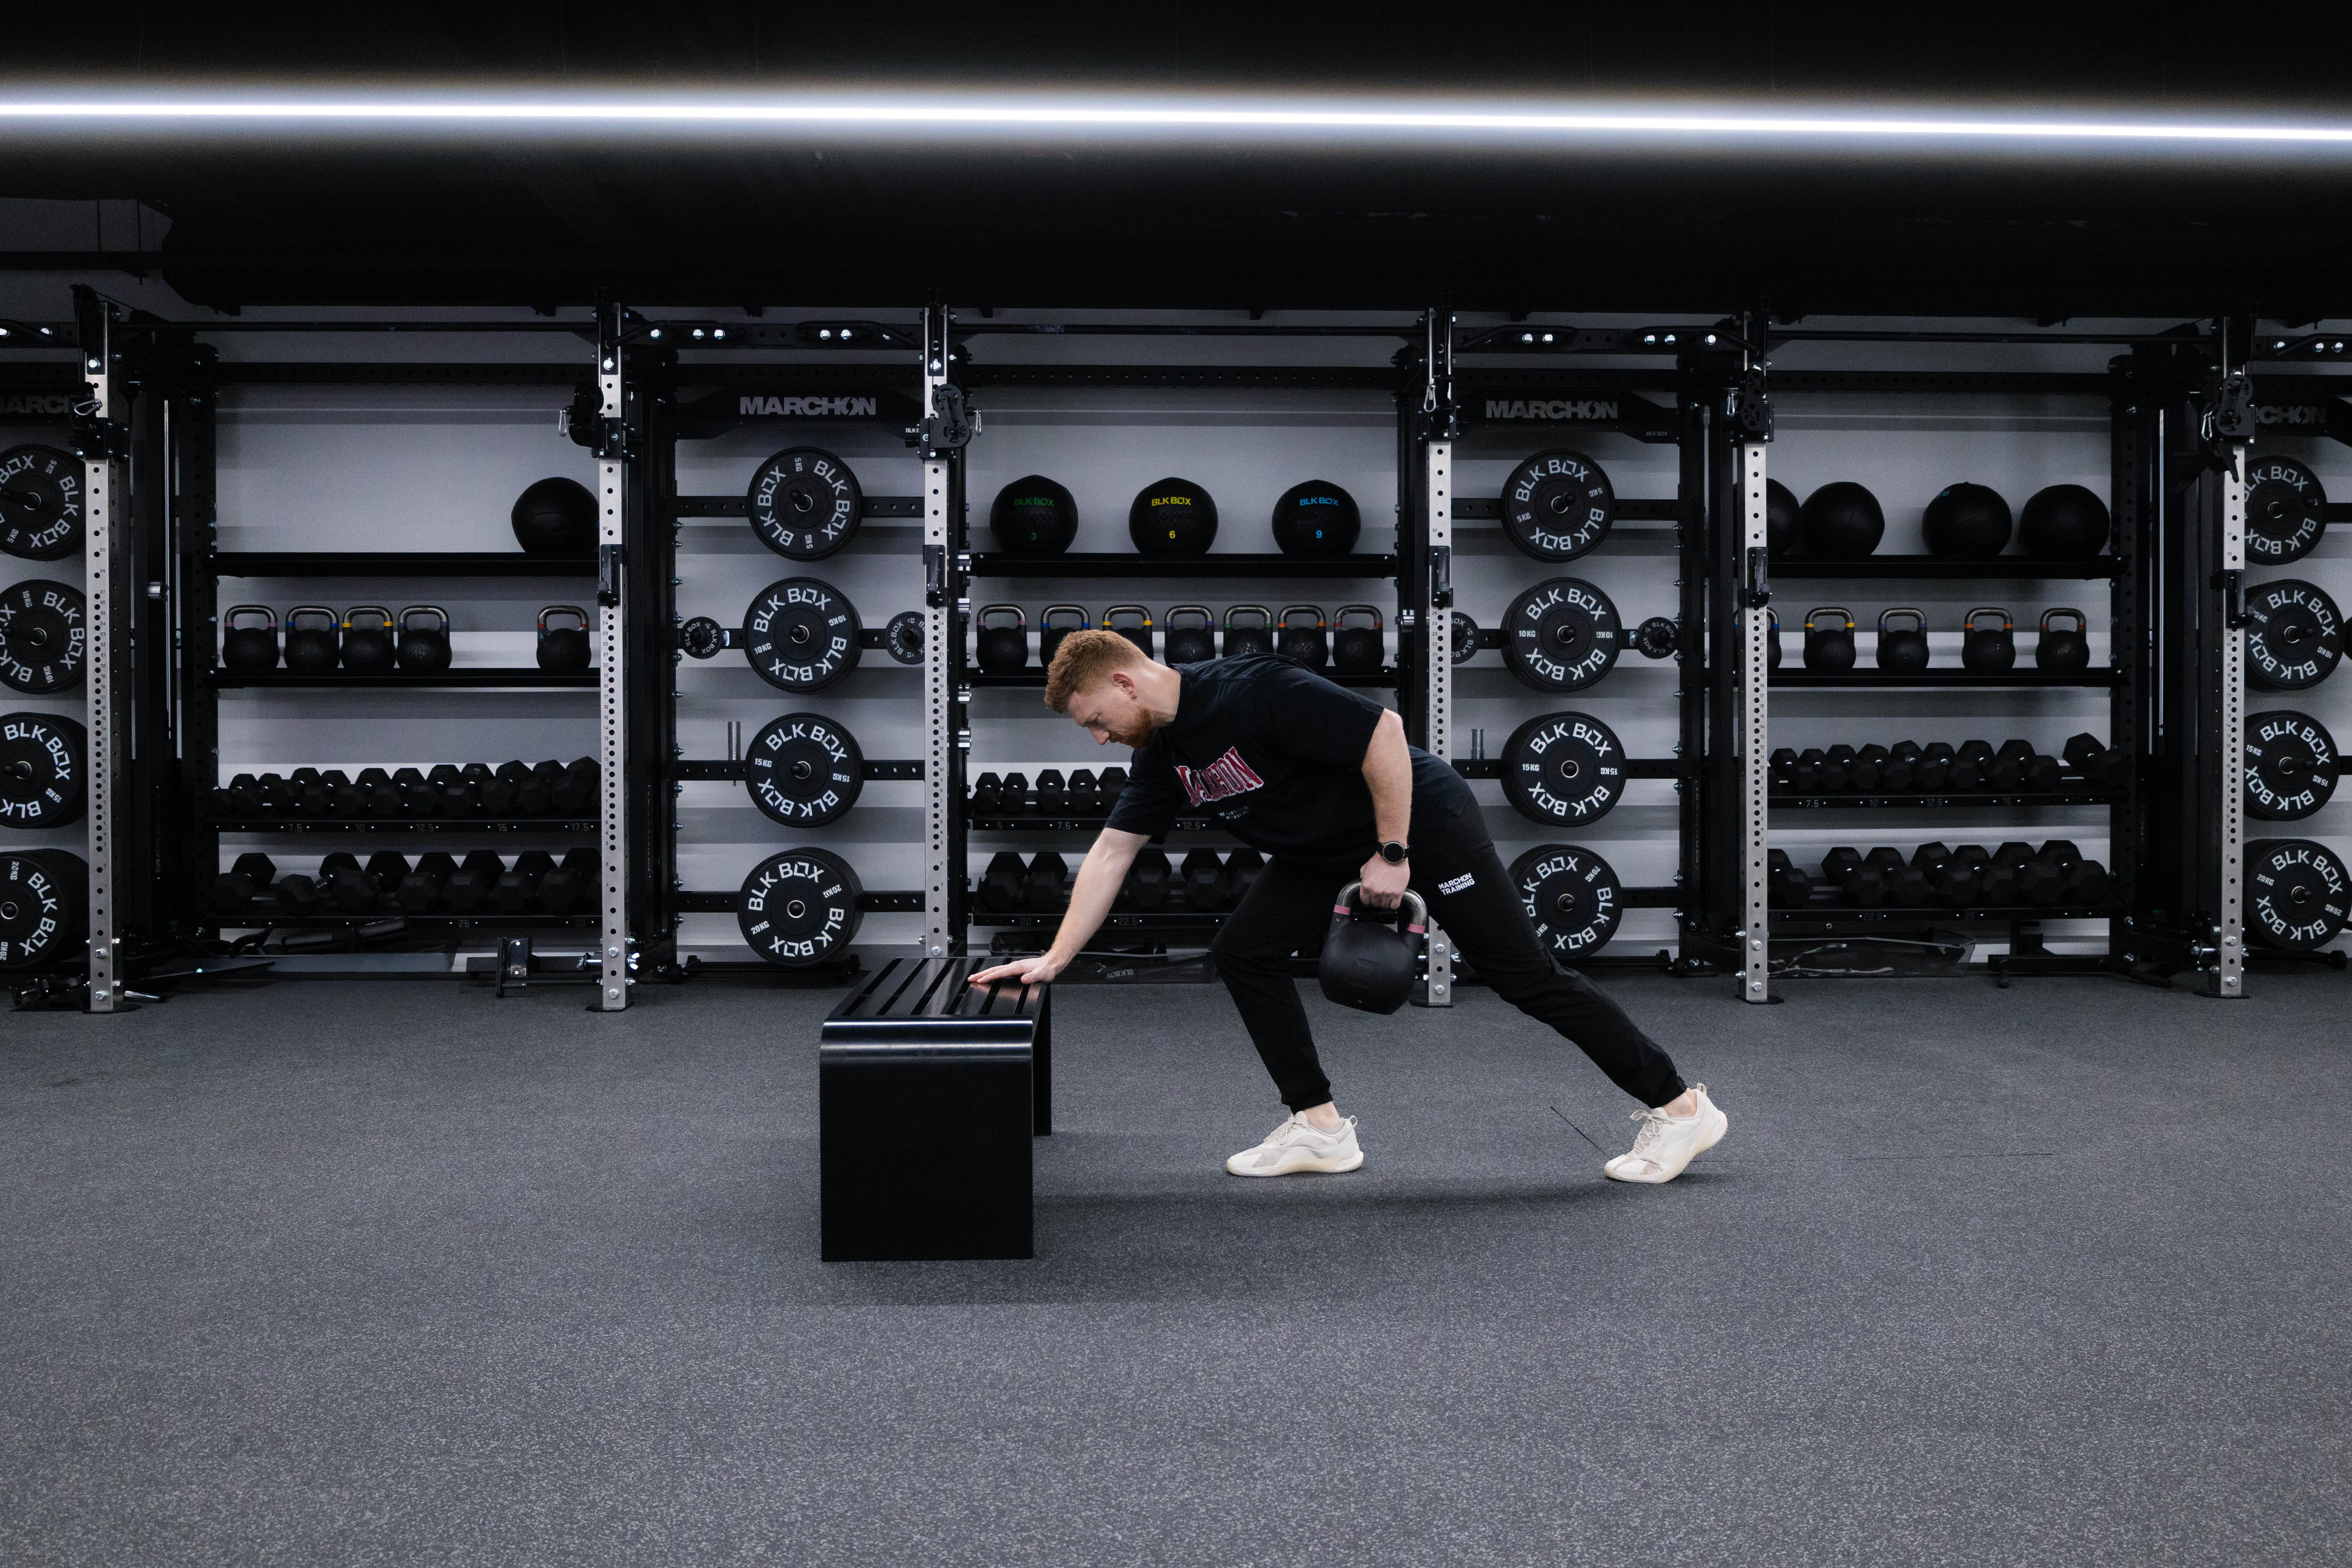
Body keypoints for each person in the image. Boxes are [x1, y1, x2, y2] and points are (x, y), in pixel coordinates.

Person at [968, 629, 1726, 1183]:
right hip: (1323, 845)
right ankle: (1319, 1128)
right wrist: (1056, 957)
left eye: (1094, 719)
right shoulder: (1161, 753)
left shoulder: (1250, 688)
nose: (1098, 738)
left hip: (1420, 820)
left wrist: (1393, 853)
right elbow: (1111, 851)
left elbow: (1385, 735)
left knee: (1522, 976)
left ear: (1126, 681)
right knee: (1244, 951)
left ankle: (1679, 1105)